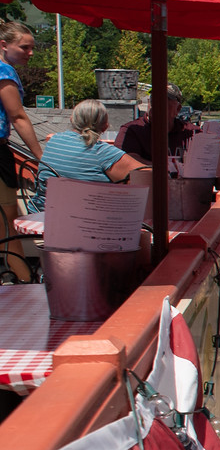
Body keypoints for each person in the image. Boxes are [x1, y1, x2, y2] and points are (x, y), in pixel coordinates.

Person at [0, 21, 42, 282]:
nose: (30, 52)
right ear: (4, 45)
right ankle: (25, 281)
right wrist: (41, 156)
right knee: (6, 221)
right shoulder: (4, 71)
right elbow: (17, 116)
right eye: (24, 47)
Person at [38, 100, 147, 193]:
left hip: (40, 211)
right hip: (83, 215)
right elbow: (146, 178)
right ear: (105, 127)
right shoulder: (102, 152)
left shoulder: (54, 140)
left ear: (72, 119)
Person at [117, 83, 193, 162]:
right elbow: (126, 161)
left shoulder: (191, 133)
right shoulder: (132, 130)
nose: (156, 105)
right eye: (153, 100)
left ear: (178, 109)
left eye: (163, 101)